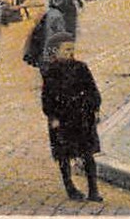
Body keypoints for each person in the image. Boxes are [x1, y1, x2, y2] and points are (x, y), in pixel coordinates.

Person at [39, 33, 102, 202]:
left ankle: (93, 189)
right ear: (55, 52)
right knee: (64, 155)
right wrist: (52, 116)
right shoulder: (51, 73)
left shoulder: (81, 68)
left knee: (88, 153)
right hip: (62, 119)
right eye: (66, 49)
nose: (70, 52)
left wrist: (94, 108)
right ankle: (70, 187)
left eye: (72, 49)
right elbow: (47, 97)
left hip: (82, 117)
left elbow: (92, 89)